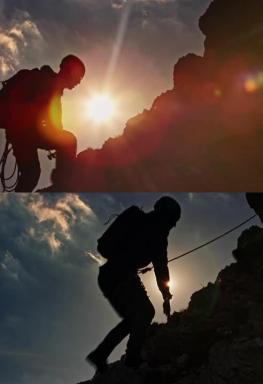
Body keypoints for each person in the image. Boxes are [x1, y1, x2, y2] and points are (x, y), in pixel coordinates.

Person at [86, 196, 181, 375]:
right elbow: (161, 268)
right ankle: (132, 358)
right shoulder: (159, 237)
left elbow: (105, 246)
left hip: (107, 277)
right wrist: (166, 295)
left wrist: (165, 293)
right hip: (120, 276)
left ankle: (100, 354)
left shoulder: (136, 217)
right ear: (167, 219)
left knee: (133, 319)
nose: (170, 228)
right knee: (145, 312)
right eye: (171, 223)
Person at [1, 55, 85, 191]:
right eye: (79, 76)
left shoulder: (54, 91)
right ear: (69, 70)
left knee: (31, 174)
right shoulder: (43, 81)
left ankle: (61, 183)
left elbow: (56, 126)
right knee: (69, 141)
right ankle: (62, 184)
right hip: (23, 133)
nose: (79, 82)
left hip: (22, 135)